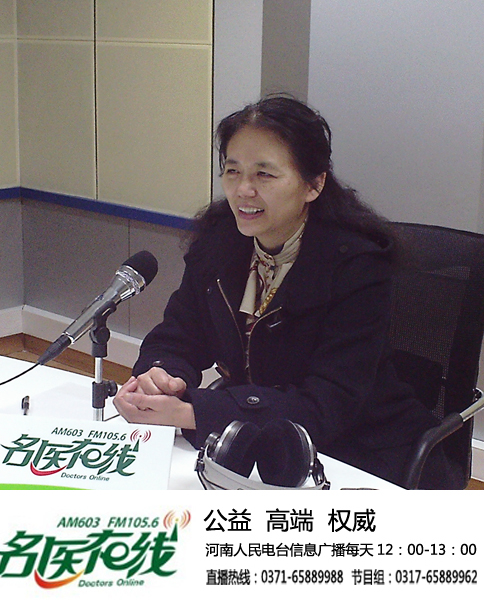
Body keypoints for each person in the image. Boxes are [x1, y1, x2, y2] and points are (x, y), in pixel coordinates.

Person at [113, 95, 461, 489]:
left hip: (358, 451)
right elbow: (179, 334)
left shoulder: (357, 265)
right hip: (257, 440)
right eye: (232, 171)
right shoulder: (219, 241)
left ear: (314, 184)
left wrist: (193, 412)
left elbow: (327, 405)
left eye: (264, 175)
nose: (243, 190)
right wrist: (161, 376)